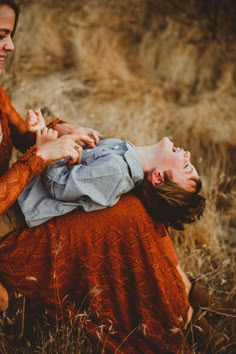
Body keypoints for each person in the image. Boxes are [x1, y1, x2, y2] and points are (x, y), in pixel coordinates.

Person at [0, 1, 234, 353]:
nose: (11, 46)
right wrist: (38, 160)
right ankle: (169, 319)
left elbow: (20, 134)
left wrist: (60, 130)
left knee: (135, 206)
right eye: (1, 35)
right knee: (128, 217)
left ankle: (182, 299)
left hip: (26, 202)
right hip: (10, 232)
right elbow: (37, 161)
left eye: (11, 35)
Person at [18, 108, 205, 229]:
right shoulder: (123, 150)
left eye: (186, 166)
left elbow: (59, 185)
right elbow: (77, 166)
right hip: (22, 185)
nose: (187, 154)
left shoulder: (116, 172)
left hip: (22, 204)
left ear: (158, 178)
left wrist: (46, 153)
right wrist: (51, 135)